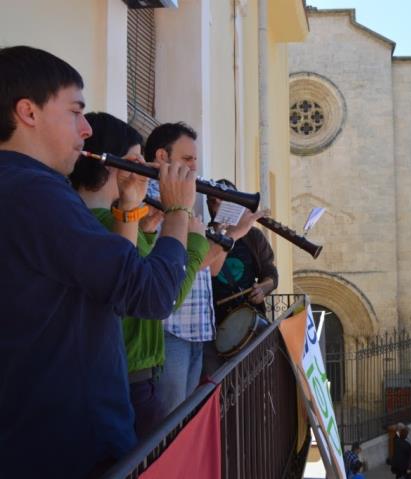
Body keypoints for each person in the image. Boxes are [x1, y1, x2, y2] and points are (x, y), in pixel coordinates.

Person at [0, 45, 195, 478]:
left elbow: (113, 283)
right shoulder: (37, 194)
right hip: (70, 447)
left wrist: (129, 206)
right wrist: (180, 212)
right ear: (28, 112)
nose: (86, 129)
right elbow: (151, 294)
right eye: (75, 111)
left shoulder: (22, 188)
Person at [69, 112, 210, 438]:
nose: (145, 170)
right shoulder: (100, 220)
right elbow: (160, 295)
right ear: (111, 165)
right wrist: (182, 217)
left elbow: (130, 268)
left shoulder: (108, 216)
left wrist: (143, 222)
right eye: (136, 161)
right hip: (130, 373)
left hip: (130, 370)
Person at [145, 123, 264, 418]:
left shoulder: (186, 201)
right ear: (162, 156)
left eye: (195, 161)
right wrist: (234, 234)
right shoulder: (151, 199)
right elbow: (187, 263)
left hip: (196, 327)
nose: (195, 168)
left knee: (183, 421)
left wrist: (223, 231)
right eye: (187, 160)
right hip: (170, 328)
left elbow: (209, 269)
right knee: (167, 423)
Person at [207, 179, 277, 320]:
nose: (219, 206)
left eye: (226, 200)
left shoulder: (253, 236)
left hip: (250, 314)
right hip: (214, 319)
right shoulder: (203, 235)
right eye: (215, 201)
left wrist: (263, 289)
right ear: (210, 205)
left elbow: (270, 272)